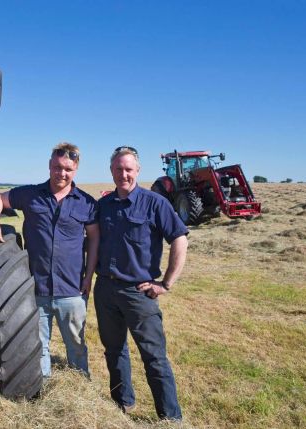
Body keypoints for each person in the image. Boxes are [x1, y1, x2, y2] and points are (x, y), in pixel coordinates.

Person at [0, 142, 99, 378]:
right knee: (38, 345)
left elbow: (95, 240)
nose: (62, 173)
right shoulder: (30, 194)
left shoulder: (86, 203)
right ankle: (43, 385)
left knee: (76, 344)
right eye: (57, 167)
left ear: (75, 169)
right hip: (37, 288)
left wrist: (89, 276)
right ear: (49, 166)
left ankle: (80, 385)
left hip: (72, 289)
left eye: (68, 169)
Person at [94, 146, 188, 420]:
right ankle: (123, 403)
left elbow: (179, 238)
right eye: (118, 169)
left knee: (154, 357)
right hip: (106, 290)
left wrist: (166, 283)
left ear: (138, 171)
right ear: (111, 171)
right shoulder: (104, 205)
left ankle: (170, 418)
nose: (124, 174)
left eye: (129, 169)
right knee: (114, 351)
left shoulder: (155, 203)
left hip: (139, 293)